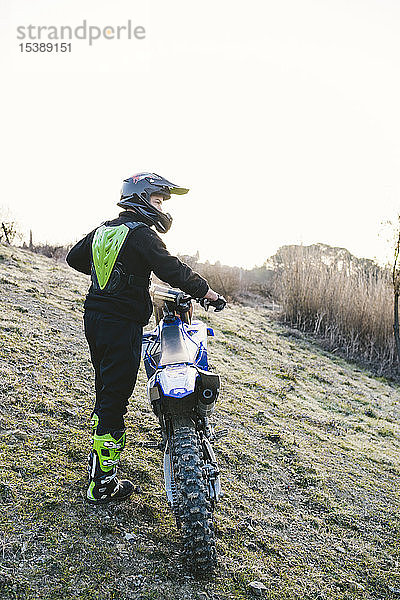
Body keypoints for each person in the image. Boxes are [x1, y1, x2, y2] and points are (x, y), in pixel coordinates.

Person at [66, 173, 226, 505]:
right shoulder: (142, 235)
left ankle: (100, 450)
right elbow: (174, 270)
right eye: (158, 200)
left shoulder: (104, 230)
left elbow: (73, 258)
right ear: (140, 198)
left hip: (94, 319)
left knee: (106, 391)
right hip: (122, 324)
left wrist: (108, 274)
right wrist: (208, 293)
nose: (162, 208)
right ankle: (102, 485)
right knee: (115, 402)